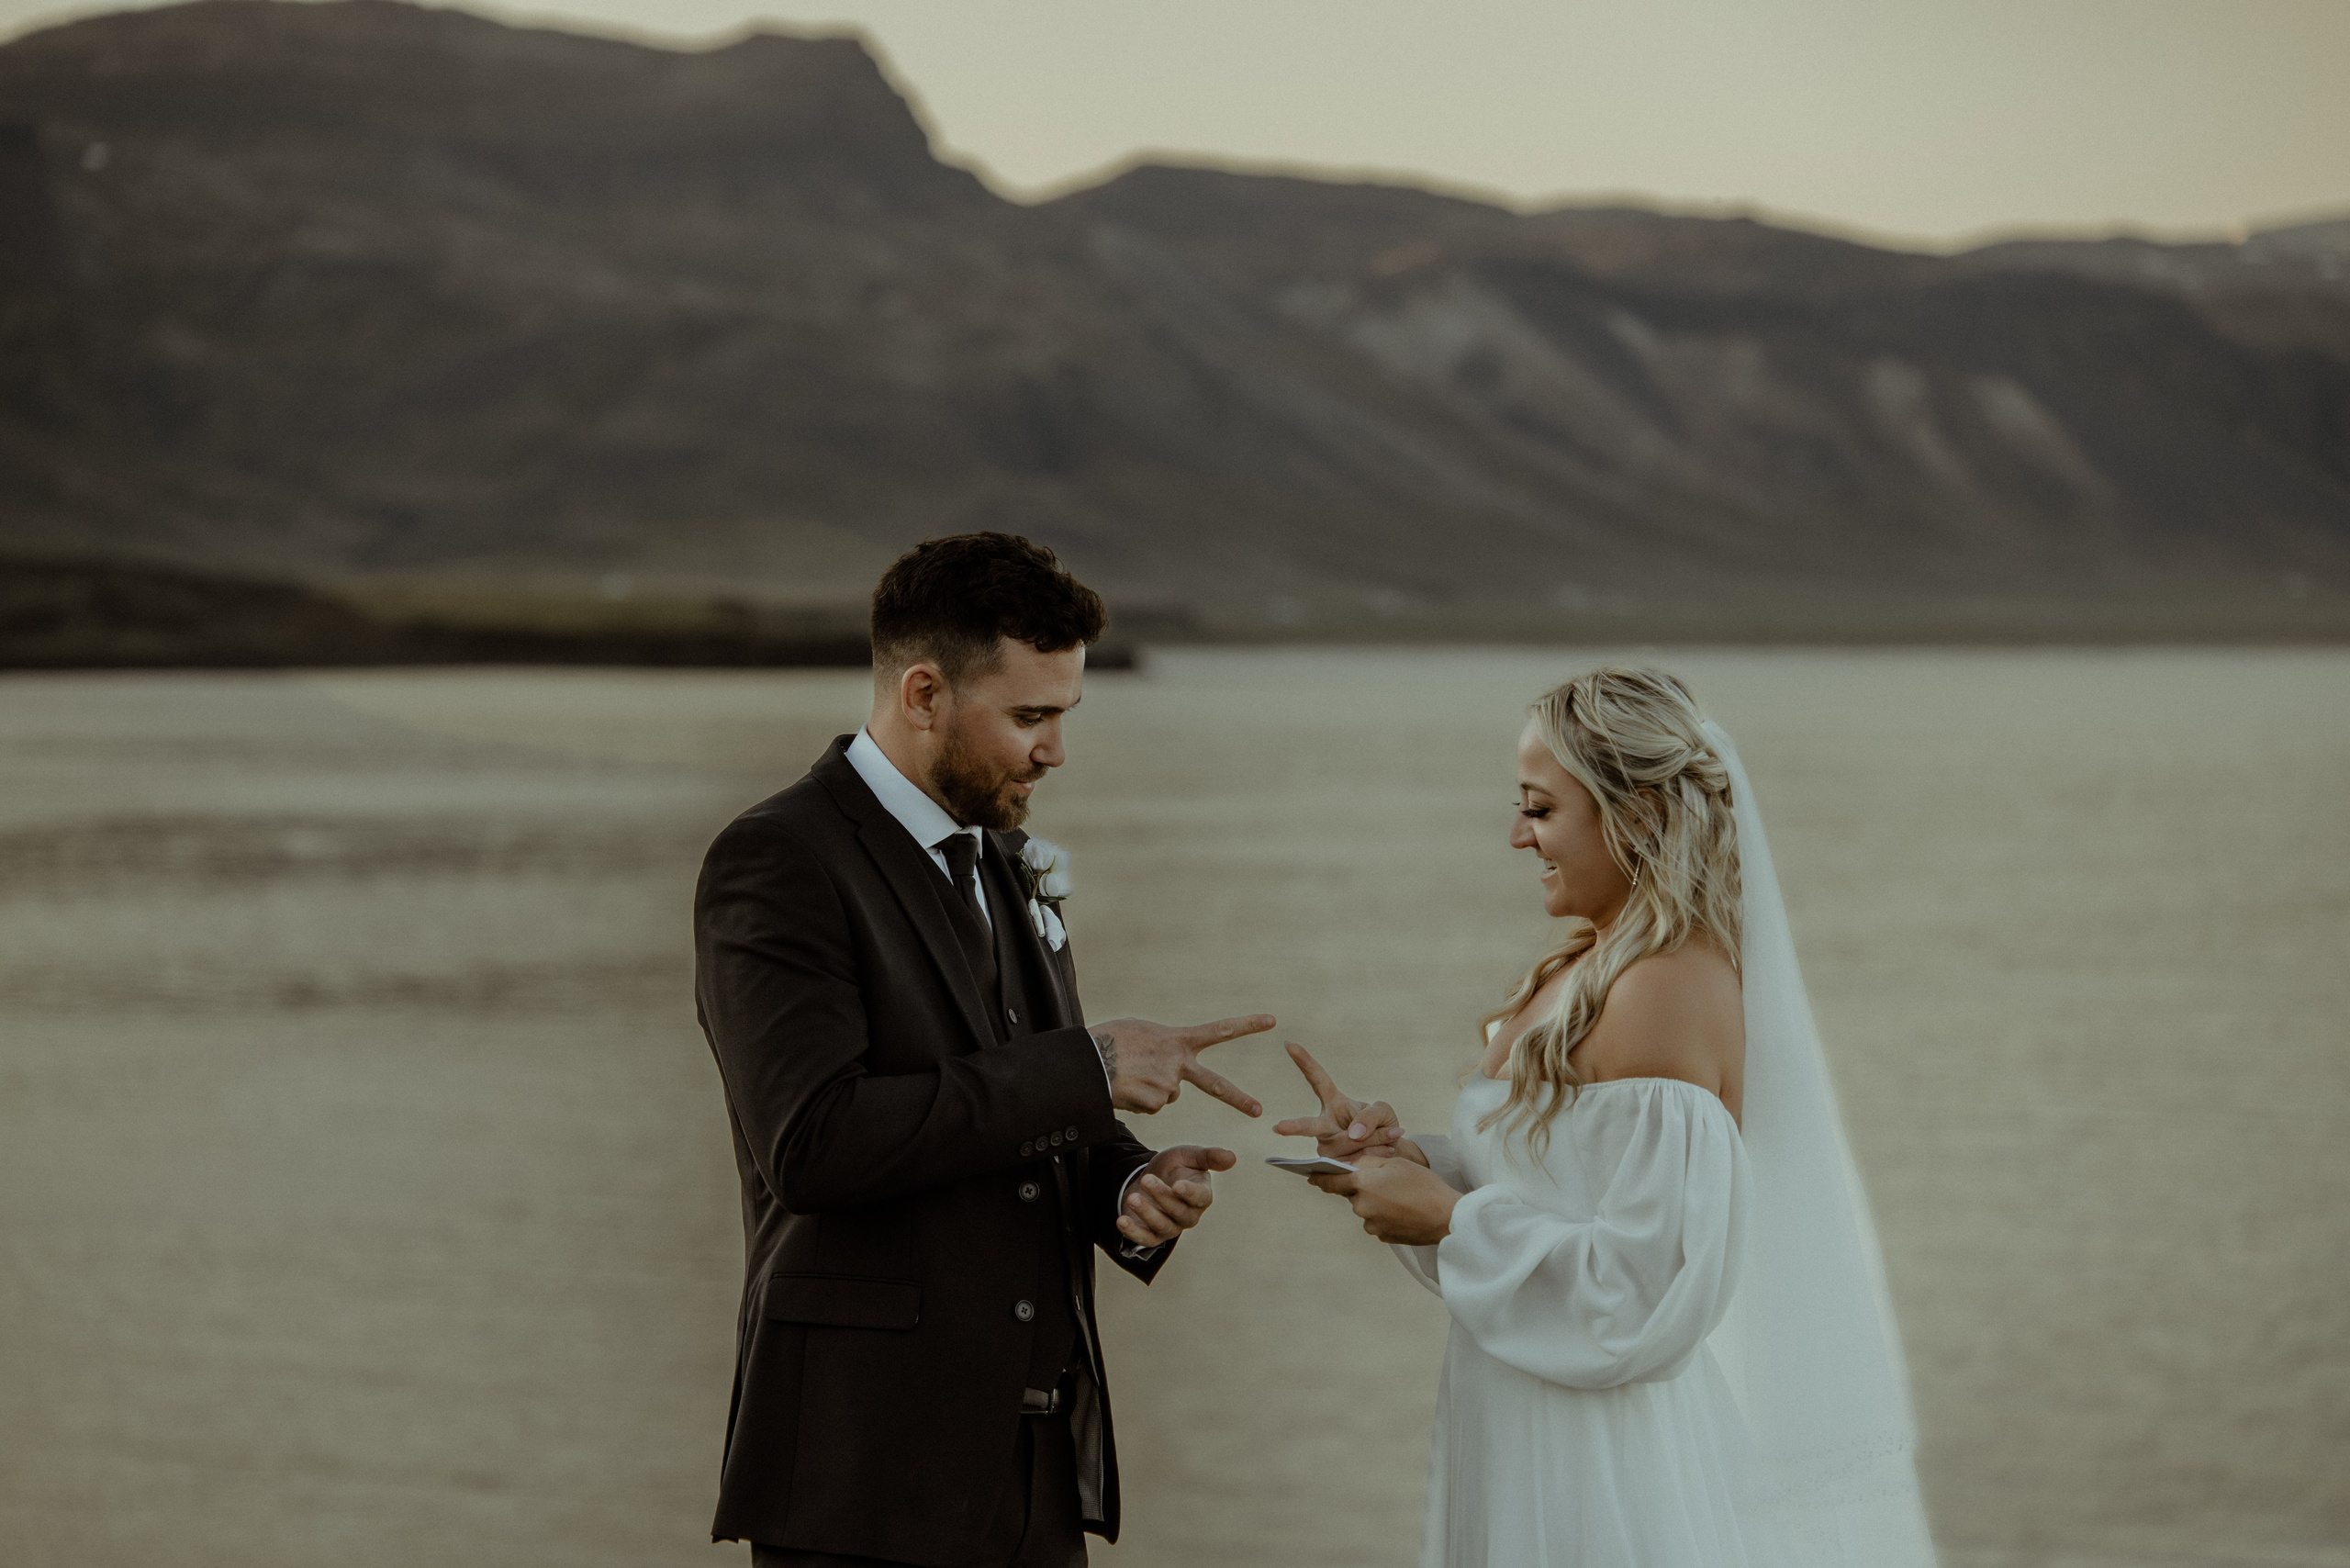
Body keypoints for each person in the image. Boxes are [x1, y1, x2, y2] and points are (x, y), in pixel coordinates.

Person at [694, 532, 1274, 1566]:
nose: (1055, 752)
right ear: (923, 693)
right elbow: (814, 1143)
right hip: (862, 1481)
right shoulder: (779, 858)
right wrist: (1090, 1067)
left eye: (1063, 715)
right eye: (1030, 718)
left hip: (1032, 1477)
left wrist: (1125, 1186)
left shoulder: (1006, 855)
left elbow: (1024, 1109)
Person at [1279, 666, 1938, 1568]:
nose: (1517, 836)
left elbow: (1643, 1297)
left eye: (1540, 809)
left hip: (1597, 1461)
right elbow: (1553, 1190)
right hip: (1516, 1418)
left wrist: (1450, 1218)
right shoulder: (1581, 970)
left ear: (1635, 816)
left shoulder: (1664, 990)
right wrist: (1403, 1162)